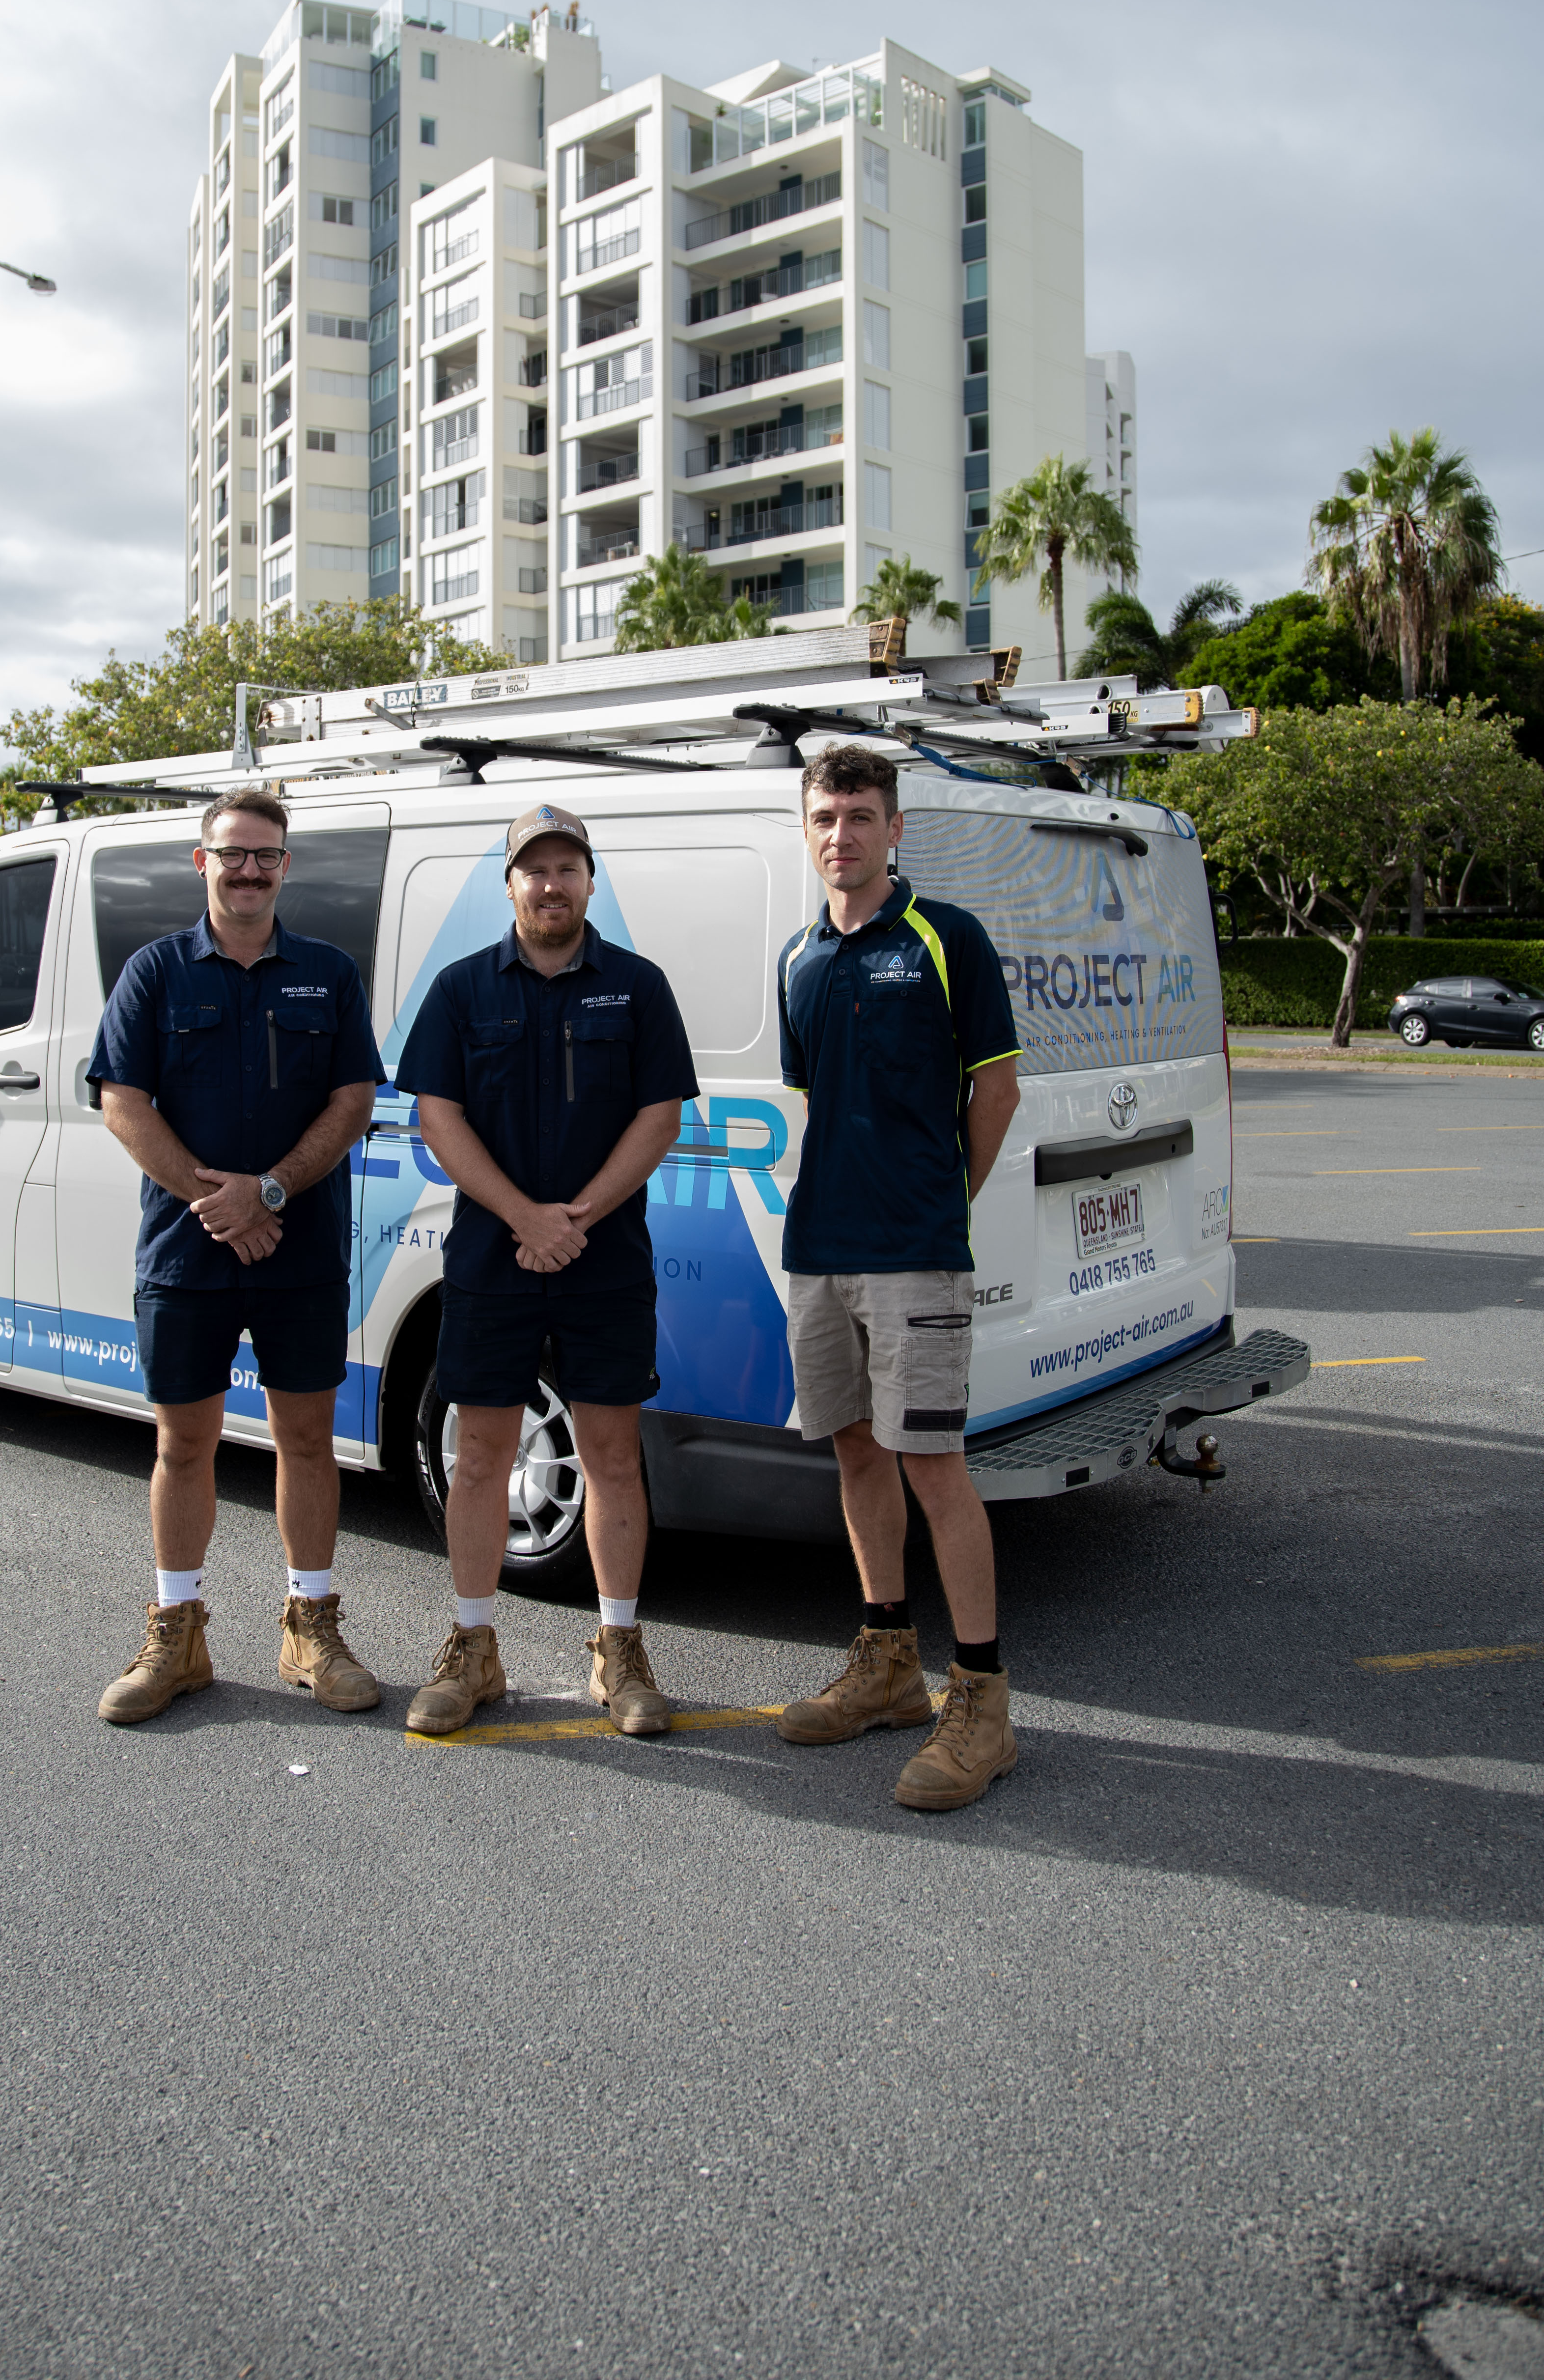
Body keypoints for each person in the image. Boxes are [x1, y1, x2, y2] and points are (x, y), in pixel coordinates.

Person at [396, 804, 699, 1736]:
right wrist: (526, 1217)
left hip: (604, 1256)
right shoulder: (459, 991)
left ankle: (619, 1650)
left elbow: (660, 1118)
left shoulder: (639, 987)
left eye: (568, 868)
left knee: (612, 1453)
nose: (551, 884)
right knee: (482, 1453)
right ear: (511, 885)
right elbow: (435, 1118)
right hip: (493, 1254)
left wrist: (577, 1218)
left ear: (589, 882)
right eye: (535, 869)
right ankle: (472, 1647)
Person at [87, 787, 382, 1725]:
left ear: (285, 867)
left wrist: (272, 1192)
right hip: (188, 1253)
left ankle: (311, 1626)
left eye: (266, 855)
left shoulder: (328, 973)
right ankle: (177, 1634)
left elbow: (352, 1101)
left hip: (298, 1247)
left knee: (306, 1438)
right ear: (203, 863)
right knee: (185, 1443)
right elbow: (122, 1102)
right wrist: (217, 1201)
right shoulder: (155, 973)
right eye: (233, 854)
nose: (249, 869)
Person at [774, 744, 1023, 1809]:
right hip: (819, 1250)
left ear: (894, 829)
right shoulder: (796, 957)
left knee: (932, 1466)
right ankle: (887, 1665)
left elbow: (997, 1092)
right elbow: (815, 1097)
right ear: (808, 829)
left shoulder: (944, 937)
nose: (843, 835)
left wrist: (938, 1205)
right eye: (826, 817)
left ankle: (983, 1700)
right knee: (855, 1457)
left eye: (861, 816)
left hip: (914, 1252)